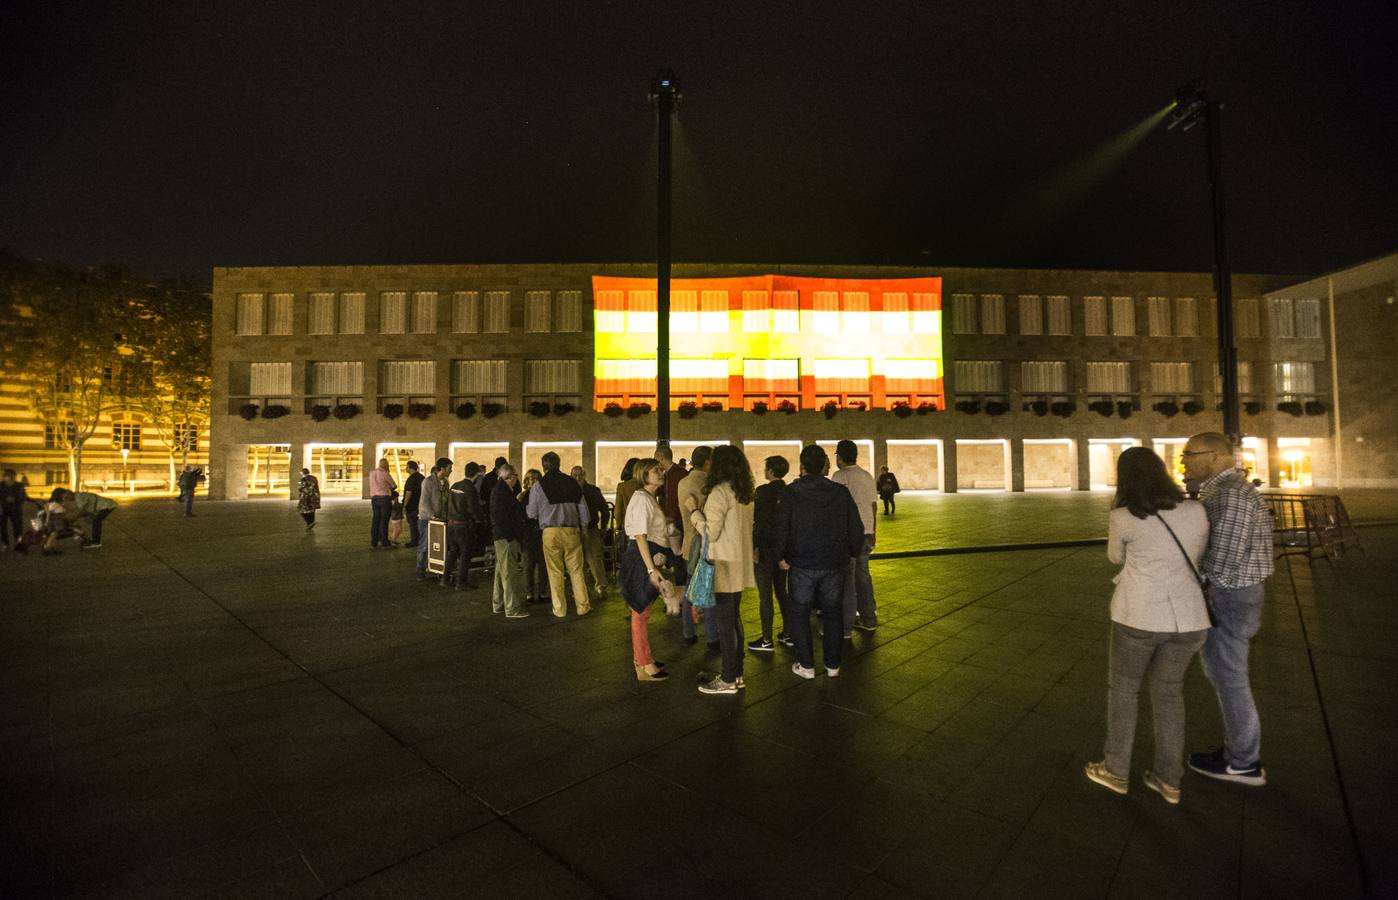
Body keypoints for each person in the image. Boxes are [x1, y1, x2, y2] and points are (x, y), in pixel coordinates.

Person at [1084, 447, 1211, 805]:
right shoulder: (1195, 509)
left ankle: (1116, 770)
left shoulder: (1124, 516)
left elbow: (1114, 557)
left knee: (1123, 691)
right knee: (1170, 694)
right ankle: (1169, 779)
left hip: (1138, 615)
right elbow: (1198, 554)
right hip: (1188, 618)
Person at [1182, 431, 1275, 787]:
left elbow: (1224, 558)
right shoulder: (1221, 491)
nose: (1185, 460)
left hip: (1231, 596)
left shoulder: (1231, 494)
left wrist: (1193, 578)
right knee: (1228, 676)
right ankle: (1238, 752)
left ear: (1218, 457)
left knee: (1230, 679)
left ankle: (1243, 763)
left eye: (1191, 453)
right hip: (1236, 594)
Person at [774, 445, 865, 679]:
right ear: (825, 464)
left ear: (802, 465)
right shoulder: (840, 492)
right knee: (833, 612)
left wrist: (781, 556)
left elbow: (782, 526)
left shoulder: (792, 492)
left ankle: (806, 664)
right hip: (834, 562)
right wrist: (854, 551)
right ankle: (833, 664)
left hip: (802, 563)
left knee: (801, 612)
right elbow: (856, 526)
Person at [688, 445, 756, 695]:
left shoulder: (719, 492)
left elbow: (710, 532)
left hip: (724, 563)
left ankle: (728, 678)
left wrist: (694, 512)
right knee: (734, 618)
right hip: (739, 562)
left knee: (725, 623)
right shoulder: (745, 493)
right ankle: (736, 673)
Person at [621, 458, 673, 682]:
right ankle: (643, 663)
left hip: (648, 557)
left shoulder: (648, 497)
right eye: (655, 470)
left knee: (642, 610)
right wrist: (651, 569)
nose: (661, 473)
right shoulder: (642, 498)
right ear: (644, 474)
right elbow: (640, 536)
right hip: (644, 558)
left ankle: (642, 658)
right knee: (641, 611)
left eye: (661, 469)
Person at [526, 452, 592, 617]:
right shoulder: (572, 482)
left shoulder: (538, 485)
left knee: (555, 571)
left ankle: (560, 609)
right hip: (571, 530)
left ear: (544, 466)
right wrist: (584, 527)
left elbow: (531, 513)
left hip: (550, 532)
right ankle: (583, 606)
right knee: (576, 570)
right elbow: (583, 509)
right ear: (559, 463)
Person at [830, 440, 879, 634]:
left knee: (848, 578)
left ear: (839, 457)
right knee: (863, 576)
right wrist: (873, 531)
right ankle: (869, 618)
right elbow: (874, 506)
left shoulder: (839, 476)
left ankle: (847, 624)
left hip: (848, 534)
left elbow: (834, 507)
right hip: (867, 532)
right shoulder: (867, 476)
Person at [676, 446, 719, 647]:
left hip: (687, 545)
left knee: (689, 590)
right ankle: (712, 636)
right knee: (708, 591)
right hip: (704, 544)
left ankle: (687, 632)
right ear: (708, 462)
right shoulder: (709, 485)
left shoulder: (682, 483)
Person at [748, 455, 791, 652]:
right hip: (783, 550)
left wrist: (755, 547)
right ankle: (788, 633)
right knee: (782, 592)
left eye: (766, 468)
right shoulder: (789, 491)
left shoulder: (763, 492)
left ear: (771, 471)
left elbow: (759, 522)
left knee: (765, 596)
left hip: (765, 550)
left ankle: (766, 639)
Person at [489, 465, 529, 618]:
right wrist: (512, 537)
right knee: (509, 574)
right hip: (506, 538)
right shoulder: (503, 492)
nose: (517, 479)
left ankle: (498, 604)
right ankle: (512, 608)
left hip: (501, 537)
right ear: (510, 477)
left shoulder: (498, 490)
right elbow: (502, 517)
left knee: (500, 572)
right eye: (516, 476)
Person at [443, 463, 485, 589]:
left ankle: (445, 579)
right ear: (476, 474)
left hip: (451, 523)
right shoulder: (470, 488)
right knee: (465, 553)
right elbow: (473, 508)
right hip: (463, 525)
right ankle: (461, 582)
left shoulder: (455, 485)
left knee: (453, 551)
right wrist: (479, 519)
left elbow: (447, 503)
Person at [572, 465, 610, 602]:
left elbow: (604, 510)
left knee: (594, 559)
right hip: (575, 530)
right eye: (574, 475)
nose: (577, 478)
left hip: (591, 528)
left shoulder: (593, 491)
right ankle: (583, 588)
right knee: (579, 561)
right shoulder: (572, 491)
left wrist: (604, 528)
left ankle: (600, 586)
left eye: (579, 475)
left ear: (584, 475)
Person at [416, 458, 452, 579]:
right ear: (442, 469)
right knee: (425, 544)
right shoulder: (428, 482)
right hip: (427, 519)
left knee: (438, 545)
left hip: (440, 520)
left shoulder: (446, 483)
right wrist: (432, 516)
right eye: (449, 468)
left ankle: (434, 566)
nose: (451, 470)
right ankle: (420, 568)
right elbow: (424, 502)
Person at [519, 469, 550, 605]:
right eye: (530, 478)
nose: (533, 481)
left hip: (541, 533)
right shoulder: (522, 496)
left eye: (535, 478)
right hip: (528, 534)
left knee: (543, 566)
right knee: (528, 566)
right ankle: (529, 593)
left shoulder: (544, 495)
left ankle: (543, 592)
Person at [1, 468, 32, 551]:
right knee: (2, 527)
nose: (10, 478)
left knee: (18, 527)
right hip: (3, 509)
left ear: (15, 476)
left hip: (16, 508)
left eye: (12, 476)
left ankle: (18, 543)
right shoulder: (1, 485)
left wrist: (16, 499)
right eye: (8, 476)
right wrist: (4, 500)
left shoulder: (19, 486)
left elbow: (24, 496)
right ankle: (5, 543)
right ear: (4, 477)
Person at [368, 458, 396, 548]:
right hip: (384, 499)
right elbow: (394, 485)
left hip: (374, 499)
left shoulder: (372, 473)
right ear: (386, 465)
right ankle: (384, 541)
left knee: (376, 520)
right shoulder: (385, 473)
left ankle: (374, 541)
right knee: (384, 521)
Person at [613, 458, 642, 541]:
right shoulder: (645, 485)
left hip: (628, 526)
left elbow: (617, 511)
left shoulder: (622, 487)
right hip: (645, 526)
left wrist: (618, 525)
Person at [402, 460, 424, 548]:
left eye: (406, 467)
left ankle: (414, 541)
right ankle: (420, 540)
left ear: (409, 467)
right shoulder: (422, 477)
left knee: (413, 524)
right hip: (420, 504)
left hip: (412, 506)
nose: (405, 468)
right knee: (419, 524)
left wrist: (404, 505)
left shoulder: (411, 479)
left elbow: (408, 493)